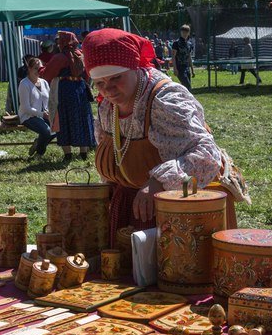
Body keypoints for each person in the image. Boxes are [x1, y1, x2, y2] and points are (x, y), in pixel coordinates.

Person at [85, 28, 246, 241]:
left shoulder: (164, 100)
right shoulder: (108, 107)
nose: (109, 90)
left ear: (134, 67)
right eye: (100, 83)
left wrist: (159, 182)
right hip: (134, 208)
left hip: (183, 210)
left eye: (116, 78)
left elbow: (207, 154)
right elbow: (116, 154)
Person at [42, 31, 95, 163]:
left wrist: (41, 69)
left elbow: (47, 75)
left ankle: (68, 154)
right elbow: (87, 74)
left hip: (65, 90)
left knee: (64, 118)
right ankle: (83, 152)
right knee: (82, 118)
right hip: (80, 89)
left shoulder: (60, 57)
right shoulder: (81, 55)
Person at [18, 57, 55, 157]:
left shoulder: (44, 82)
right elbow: (26, 108)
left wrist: (50, 112)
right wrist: (42, 114)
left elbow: (49, 100)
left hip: (43, 115)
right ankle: (39, 153)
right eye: (35, 68)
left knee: (57, 129)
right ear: (29, 69)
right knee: (46, 131)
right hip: (28, 116)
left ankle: (38, 143)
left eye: (40, 68)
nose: (38, 71)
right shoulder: (24, 84)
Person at [171, 25, 194, 90]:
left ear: (189, 33)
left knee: (186, 88)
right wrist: (175, 69)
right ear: (181, 32)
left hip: (187, 67)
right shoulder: (176, 43)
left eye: (186, 32)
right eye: (183, 32)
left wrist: (192, 69)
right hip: (179, 68)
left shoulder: (189, 44)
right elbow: (173, 56)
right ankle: (189, 100)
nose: (185, 34)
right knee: (187, 87)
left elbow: (189, 56)